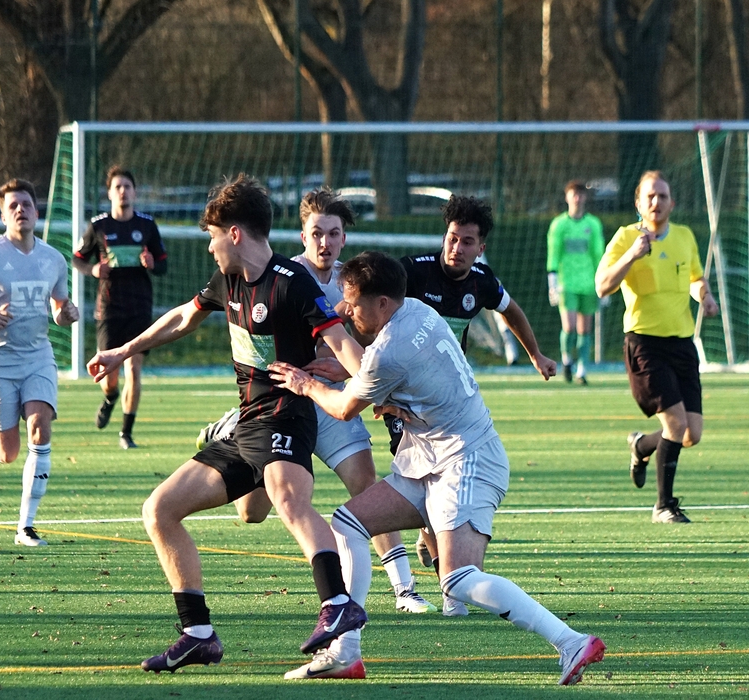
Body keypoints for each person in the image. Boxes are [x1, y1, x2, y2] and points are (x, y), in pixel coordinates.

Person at [269, 251, 606, 683]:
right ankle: (345, 652)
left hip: (468, 459)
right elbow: (390, 369)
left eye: (352, 304)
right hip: (430, 459)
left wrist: (306, 384)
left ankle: (571, 641)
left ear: (382, 303)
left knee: (458, 579)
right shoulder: (416, 309)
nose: (346, 312)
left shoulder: (387, 352)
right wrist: (374, 381)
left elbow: (343, 407)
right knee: (348, 523)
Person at [87, 175, 368, 673]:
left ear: (234, 234)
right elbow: (182, 318)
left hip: (287, 415)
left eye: (213, 236)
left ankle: (338, 602)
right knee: (160, 510)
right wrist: (122, 351)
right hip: (246, 425)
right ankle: (197, 634)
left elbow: (348, 349)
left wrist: (365, 384)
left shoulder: (292, 282)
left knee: (288, 499)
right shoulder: (228, 279)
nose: (210, 247)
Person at [198, 188, 434, 616]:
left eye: (334, 233)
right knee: (251, 512)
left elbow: (372, 348)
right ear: (303, 236)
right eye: (317, 233)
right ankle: (231, 431)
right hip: (282, 407)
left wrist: (352, 376)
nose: (325, 242)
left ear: (344, 238)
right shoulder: (285, 276)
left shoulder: (356, 283)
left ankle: (404, 589)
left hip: (332, 404)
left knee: (365, 484)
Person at [396, 195, 556, 614]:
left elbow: (511, 310)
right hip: (405, 400)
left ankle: (436, 549)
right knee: (425, 479)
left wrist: (536, 355)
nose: (456, 248)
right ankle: (449, 589)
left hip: (450, 402)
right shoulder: (413, 272)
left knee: (441, 483)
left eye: (467, 241)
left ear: (480, 248)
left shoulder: (481, 281)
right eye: (452, 238)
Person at [0, 178, 80, 547]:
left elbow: (59, 309)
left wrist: (67, 313)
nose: (21, 210)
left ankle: (26, 526)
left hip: (38, 357)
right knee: (7, 453)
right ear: (4, 216)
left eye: (26, 204)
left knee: (40, 427)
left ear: (36, 212)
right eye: (13, 206)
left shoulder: (53, 259)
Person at [595, 170, 718, 524]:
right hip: (645, 344)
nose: (656, 202)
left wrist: (704, 295)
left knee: (691, 434)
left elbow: (694, 277)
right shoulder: (625, 238)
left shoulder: (684, 236)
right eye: (649, 196)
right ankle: (664, 505)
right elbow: (602, 286)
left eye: (662, 196)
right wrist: (632, 255)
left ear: (671, 203)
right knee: (675, 423)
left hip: (682, 344)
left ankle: (641, 445)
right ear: (638, 203)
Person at [73, 166, 168, 449]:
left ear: (135, 192)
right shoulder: (98, 226)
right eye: (118, 186)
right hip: (109, 309)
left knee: (134, 369)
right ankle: (110, 397)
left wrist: (152, 264)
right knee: (109, 377)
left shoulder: (147, 225)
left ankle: (126, 433)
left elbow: (163, 264)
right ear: (109, 193)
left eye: (127, 186)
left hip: (139, 308)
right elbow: (77, 259)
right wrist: (93, 270)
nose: (123, 191)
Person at [547, 180, 605, 385]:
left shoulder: (593, 224)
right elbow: (554, 254)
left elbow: (598, 254)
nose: (577, 198)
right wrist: (552, 280)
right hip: (566, 284)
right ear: (567, 197)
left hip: (588, 284)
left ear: (585, 197)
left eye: (581, 194)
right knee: (569, 327)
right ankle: (567, 360)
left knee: (584, 330)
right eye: (574, 194)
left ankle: (582, 370)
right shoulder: (559, 225)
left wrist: (603, 283)